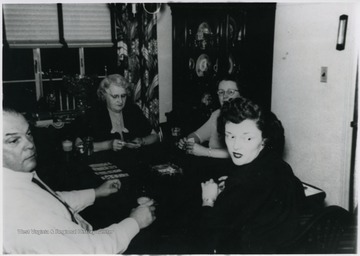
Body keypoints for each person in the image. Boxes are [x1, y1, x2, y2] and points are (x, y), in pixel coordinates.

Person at [3, 109, 156, 254]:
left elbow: (51, 201)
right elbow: (91, 250)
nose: (29, 144)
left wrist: (95, 193)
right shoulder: (23, 213)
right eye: (13, 140)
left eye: (28, 134)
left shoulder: (14, 179)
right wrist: (135, 222)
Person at [192, 97, 305, 253]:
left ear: (264, 140)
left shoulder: (243, 182)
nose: (236, 146)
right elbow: (297, 193)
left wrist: (208, 199)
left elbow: (208, 241)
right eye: (230, 136)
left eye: (248, 138)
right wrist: (234, 185)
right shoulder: (280, 165)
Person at [75, 74, 159, 152]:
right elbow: (79, 145)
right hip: (105, 163)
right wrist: (108, 145)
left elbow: (155, 136)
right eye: (115, 96)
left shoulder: (133, 111)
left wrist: (142, 141)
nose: (120, 101)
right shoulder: (94, 114)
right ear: (104, 95)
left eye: (123, 96)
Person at [178, 75, 242, 158]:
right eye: (221, 92)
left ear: (240, 95)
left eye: (230, 92)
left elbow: (238, 152)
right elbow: (197, 135)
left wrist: (205, 151)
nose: (225, 96)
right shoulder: (217, 114)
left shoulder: (245, 118)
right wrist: (188, 142)